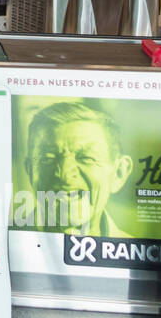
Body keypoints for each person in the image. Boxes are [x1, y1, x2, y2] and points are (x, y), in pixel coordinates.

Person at [21, 101, 133, 237]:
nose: (65, 174)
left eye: (86, 158)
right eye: (47, 159)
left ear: (118, 173)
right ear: (30, 170)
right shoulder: (4, 239)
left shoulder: (141, 255)